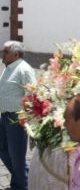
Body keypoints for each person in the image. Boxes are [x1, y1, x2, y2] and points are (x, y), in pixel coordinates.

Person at [0, 41, 35, 190]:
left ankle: (21, 186)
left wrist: (25, 116)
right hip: (4, 116)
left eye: (5, 51)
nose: (2, 54)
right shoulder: (8, 68)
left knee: (17, 156)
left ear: (16, 54)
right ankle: (23, 177)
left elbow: (32, 94)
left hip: (17, 118)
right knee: (2, 149)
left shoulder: (23, 69)